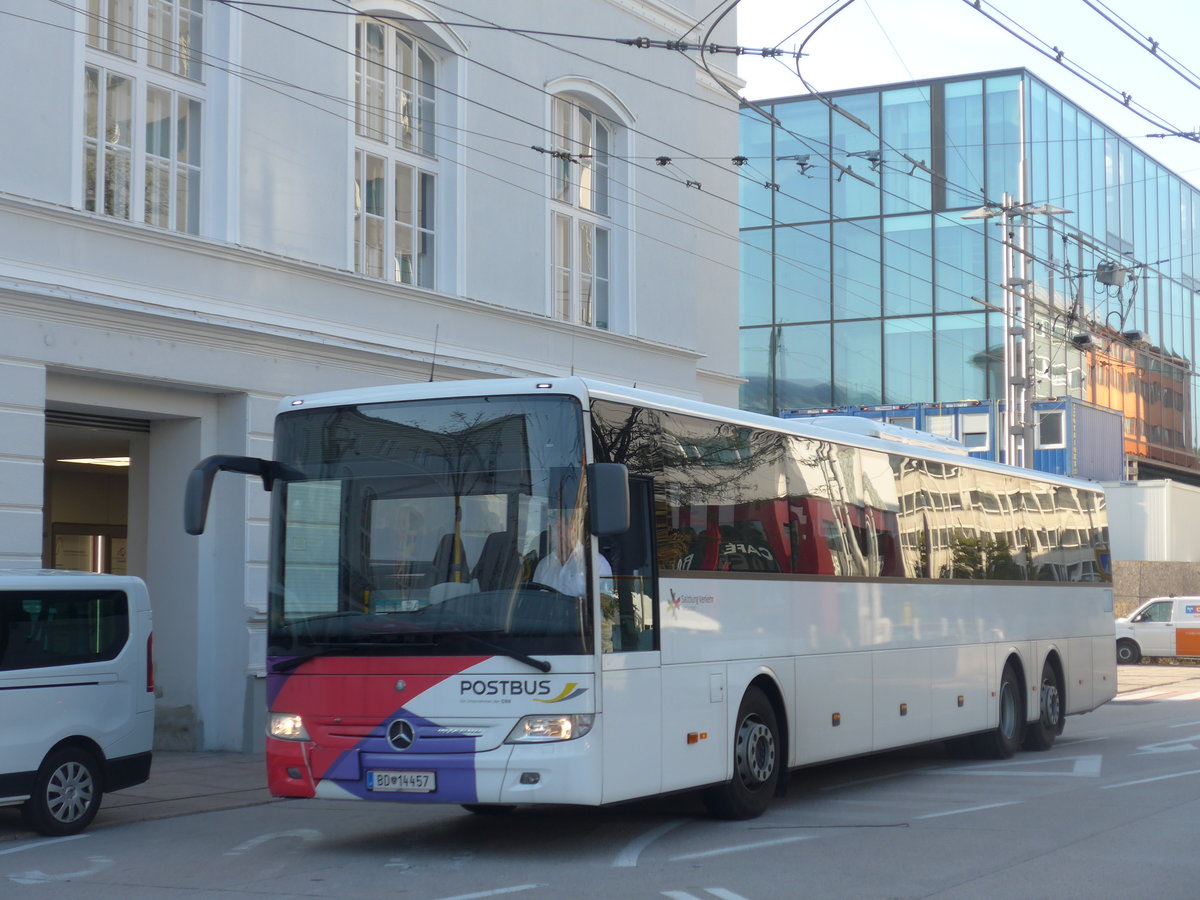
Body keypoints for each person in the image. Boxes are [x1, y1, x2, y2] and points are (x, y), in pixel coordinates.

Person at [533, 505, 611, 597]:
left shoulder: (596, 562)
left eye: (565, 526)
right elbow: (535, 601)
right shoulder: (543, 566)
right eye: (556, 527)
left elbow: (604, 604)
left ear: (575, 529)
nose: (560, 533)